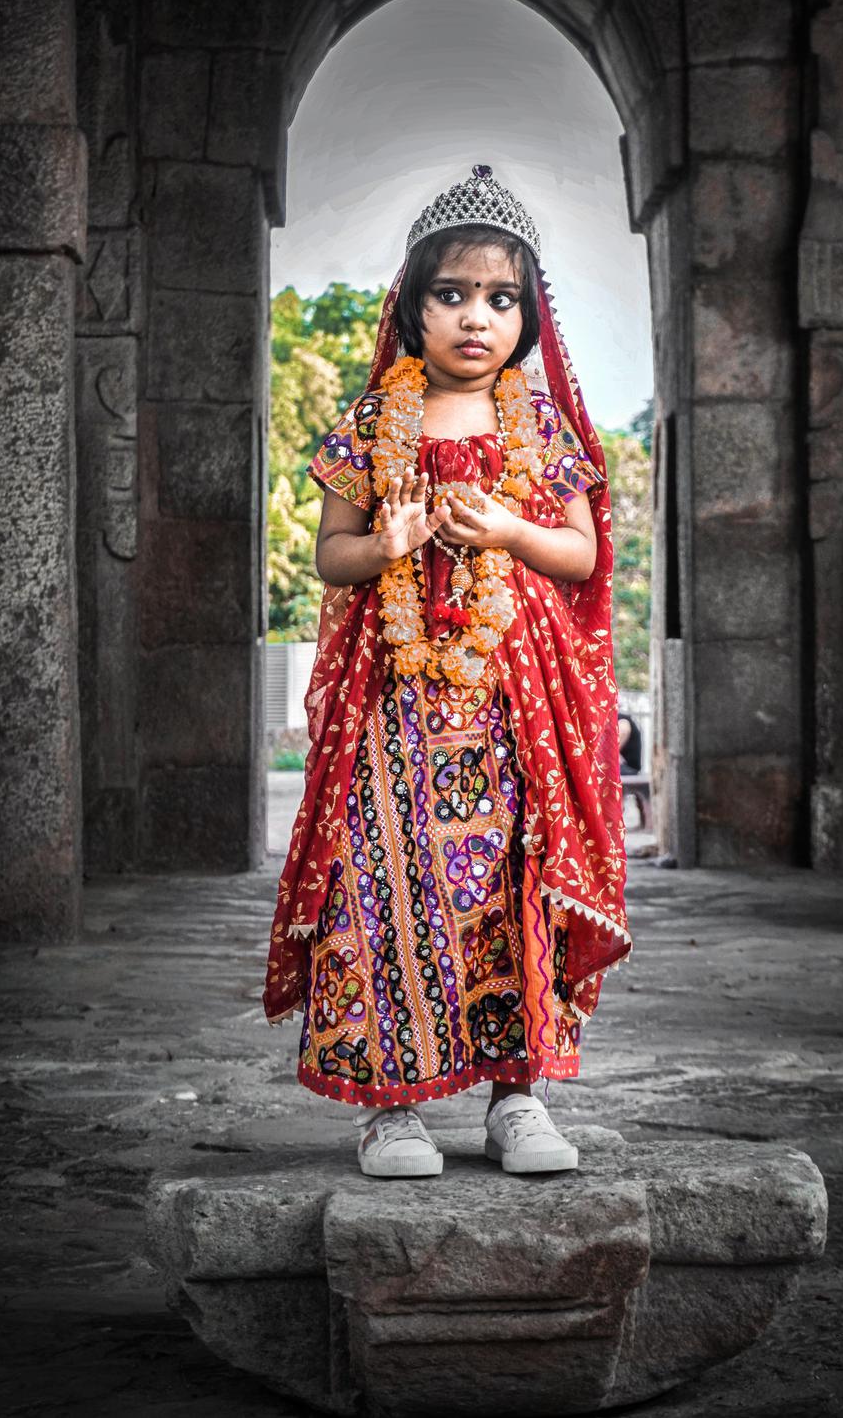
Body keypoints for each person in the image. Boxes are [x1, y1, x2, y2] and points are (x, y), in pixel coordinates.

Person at [262, 164, 630, 1179]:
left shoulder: (542, 428)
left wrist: (511, 524)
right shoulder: (372, 425)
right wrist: (390, 542)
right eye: (454, 293)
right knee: (379, 877)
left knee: (515, 873)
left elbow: (583, 555)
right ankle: (392, 1107)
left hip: (514, 696)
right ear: (412, 305)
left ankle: (520, 1097)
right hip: (398, 697)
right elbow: (332, 554)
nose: (477, 317)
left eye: (502, 298)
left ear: (529, 315)